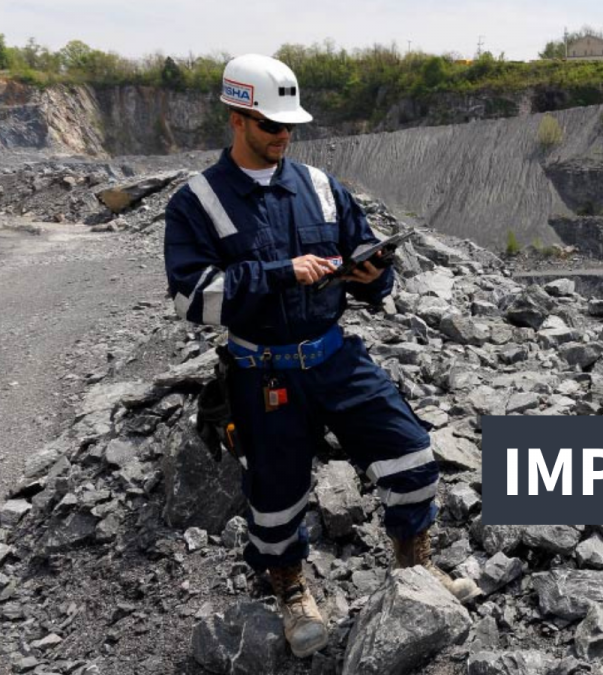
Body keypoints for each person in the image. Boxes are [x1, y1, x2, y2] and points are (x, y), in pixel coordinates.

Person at [164, 54, 473, 659]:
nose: (283, 136)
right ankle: (291, 590)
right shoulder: (197, 202)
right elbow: (192, 300)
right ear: (236, 117)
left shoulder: (323, 189)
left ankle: (414, 569)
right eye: (271, 125)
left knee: (411, 453)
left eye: (289, 127)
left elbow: (365, 267)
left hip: (335, 357)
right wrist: (282, 273)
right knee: (275, 498)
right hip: (264, 371)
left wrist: (371, 273)